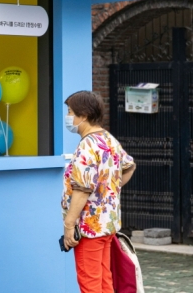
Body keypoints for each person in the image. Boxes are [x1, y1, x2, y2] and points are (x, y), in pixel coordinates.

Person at [61, 91, 136, 293]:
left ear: (83, 115)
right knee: (104, 281)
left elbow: (82, 189)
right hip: (107, 224)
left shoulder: (87, 145)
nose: (68, 117)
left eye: (70, 112)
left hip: (89, 227)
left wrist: (69, 224)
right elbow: (129, 166)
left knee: (90, 284)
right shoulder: (109, 139)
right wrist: (108, 190)